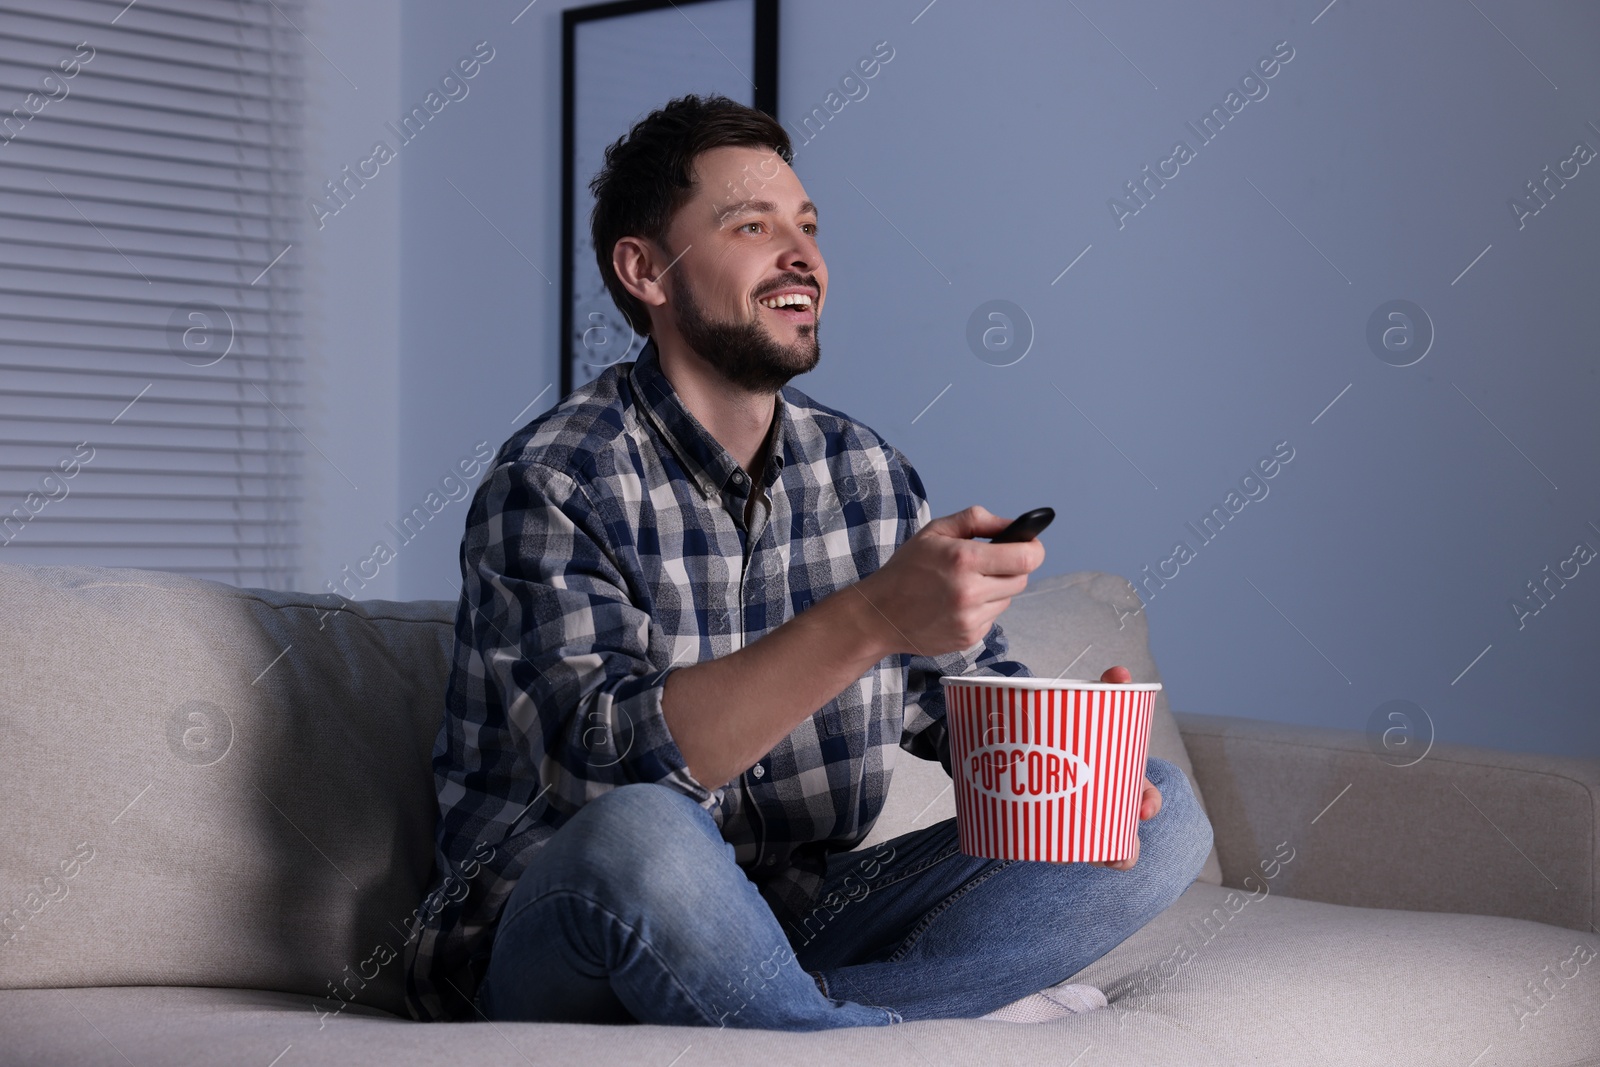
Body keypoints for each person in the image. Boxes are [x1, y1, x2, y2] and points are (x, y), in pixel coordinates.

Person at [402, 93, 1213, 1029]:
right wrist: (868, 617)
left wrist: (1073, 761)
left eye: (809, 226)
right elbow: (606, 777)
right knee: (646, 834)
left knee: (1161, 816)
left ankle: (809, 1018)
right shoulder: (553, 482)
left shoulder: (865, 474)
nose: (803, 257)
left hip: (790, 926)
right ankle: (900, 1028)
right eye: (752, 225)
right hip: (556, 933)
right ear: (646, 271)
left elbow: (962, 706)